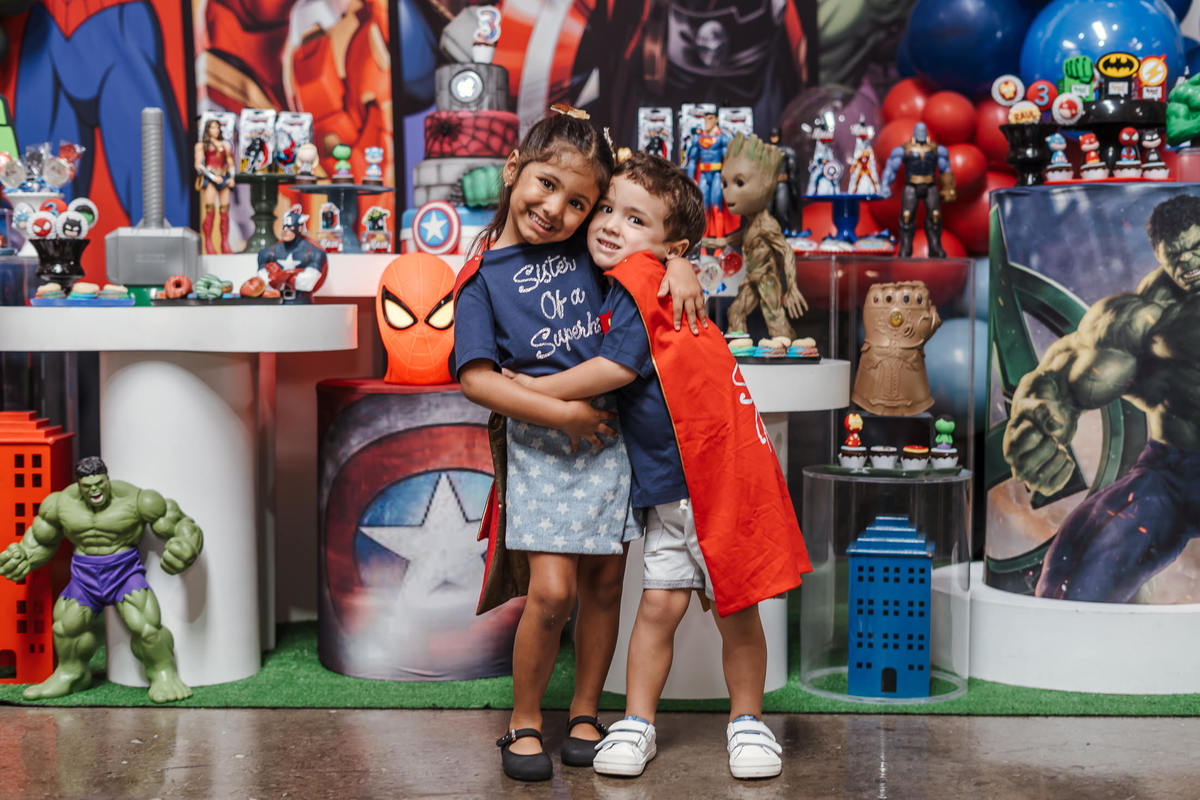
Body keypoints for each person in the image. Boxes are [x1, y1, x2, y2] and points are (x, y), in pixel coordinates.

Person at [509, 152, 811, 779]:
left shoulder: (640, 279)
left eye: (634, 218)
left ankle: (747, 723)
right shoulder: (644, 273)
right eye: (608, 209)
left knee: (735, 611)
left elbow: (615, 370)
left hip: (711, 487)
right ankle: (639, 721)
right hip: (675, 490)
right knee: (659, 608)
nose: (611, 224)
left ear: (669, 243)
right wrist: (677, 259)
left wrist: (538, 393)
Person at [452, 112, 704, 782]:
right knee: (552, 591)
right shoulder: (481, 277)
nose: (555, 209)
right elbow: (477, 379)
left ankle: (587, 711)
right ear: (513, 171)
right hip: (543, 446)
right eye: (546, 186)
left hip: (609, 444)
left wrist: (680, 265)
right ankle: (525, 719)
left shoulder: (586, 250)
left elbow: (649, 249)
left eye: (578, 203)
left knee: (604, 583)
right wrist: (559, 414)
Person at [1003, 194, 1200, 603]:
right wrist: (1036, 420)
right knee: (1075, 562)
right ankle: (1067, 660)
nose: (1189, 265)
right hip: (1176, 473)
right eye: (1176, 258)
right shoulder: (1151, 314)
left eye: (1197, 248)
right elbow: (1064, 370)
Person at [0, 457, 203, 703]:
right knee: (64, 627)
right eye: (88, 486)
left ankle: (163, 673)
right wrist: (24, 557)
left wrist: (186, 546)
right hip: (84, 578)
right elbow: (41, 541)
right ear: (79, 485)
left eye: (100, 483)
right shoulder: (60, 504)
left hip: (123, 574)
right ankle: (72, 674)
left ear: (107, 479)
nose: (95, 490)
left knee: (147, 627)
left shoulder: (138, 500)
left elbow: (182, 525)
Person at [879, 121, 956, 258]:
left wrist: (948, 188)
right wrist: (885, 185)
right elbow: (891, 168)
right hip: (911, 186)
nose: (921, 134)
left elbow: (946, 168)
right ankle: (906, 248)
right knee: (907, 217)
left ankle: (935, 247)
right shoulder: (905, 149)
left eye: (923, 131)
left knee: (935, 216)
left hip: (930, 185)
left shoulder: (936, 149)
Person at [195, 118, 235, 254]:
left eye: (217, 127)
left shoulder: (225, 145)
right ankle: (208, 242)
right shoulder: (202, 145)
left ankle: (225, 242)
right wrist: (212, 177)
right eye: (212, 128)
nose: (216, 130)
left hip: (223, 177)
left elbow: (230, 163)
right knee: (210, 210)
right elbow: (199, 165)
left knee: (224, 211)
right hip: (211, 178)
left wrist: (232, 177)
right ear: (207, 129)